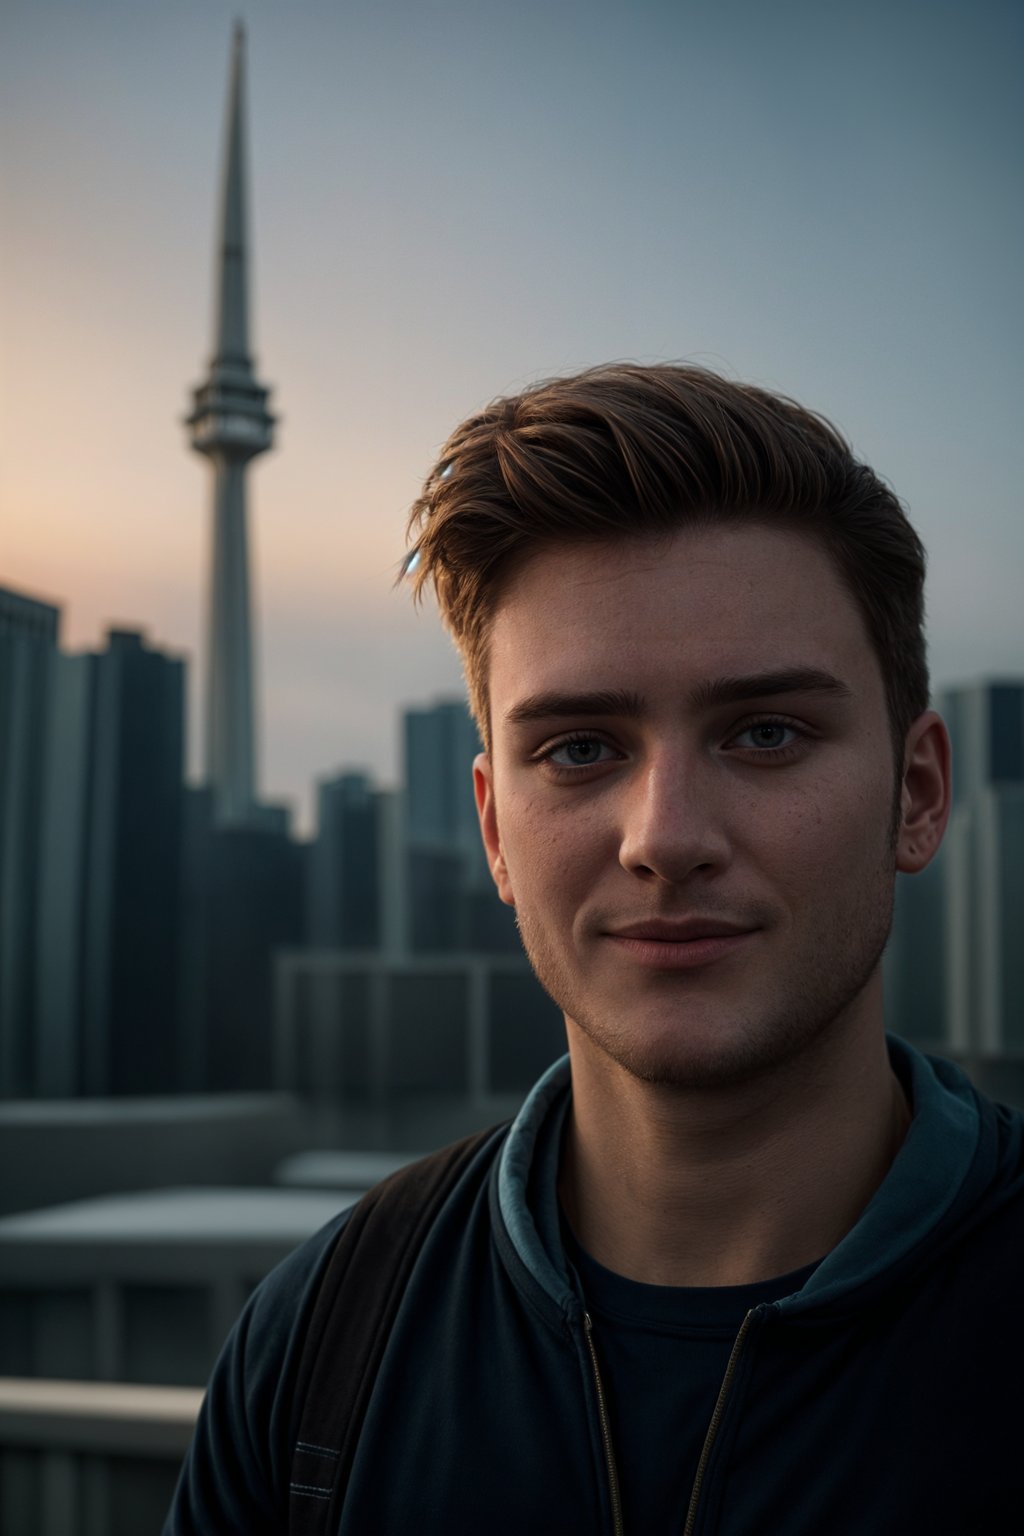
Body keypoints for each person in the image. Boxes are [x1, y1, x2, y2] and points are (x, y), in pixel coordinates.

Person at [165, 364, 1023, 1534]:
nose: (664, 838)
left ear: (917, 792)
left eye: (766, 733)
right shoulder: (317, 1345)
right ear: (492, 833)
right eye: (577, 750)